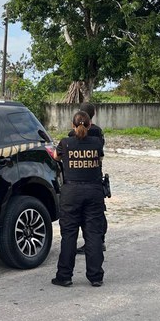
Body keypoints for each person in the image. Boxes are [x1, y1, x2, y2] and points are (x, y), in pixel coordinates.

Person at [51, 110, 107, 287]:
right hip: (94, 192)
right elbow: (100, 159)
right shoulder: (96, 142)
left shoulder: (65, 143)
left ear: (72, 126)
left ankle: (64, 276)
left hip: (71, 194)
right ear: (90, 125)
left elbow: (56, 157)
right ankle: (96, 277)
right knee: (94, 235)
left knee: (69, 235)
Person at [68, 102, 107, 254]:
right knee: (97, 212)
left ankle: (88, 243)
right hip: (95, 176)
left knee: (82, 214)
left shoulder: (71, 135)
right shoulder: (98, 132)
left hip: (77, 178)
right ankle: (99, 241)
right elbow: (101, 154)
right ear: (93, 115)